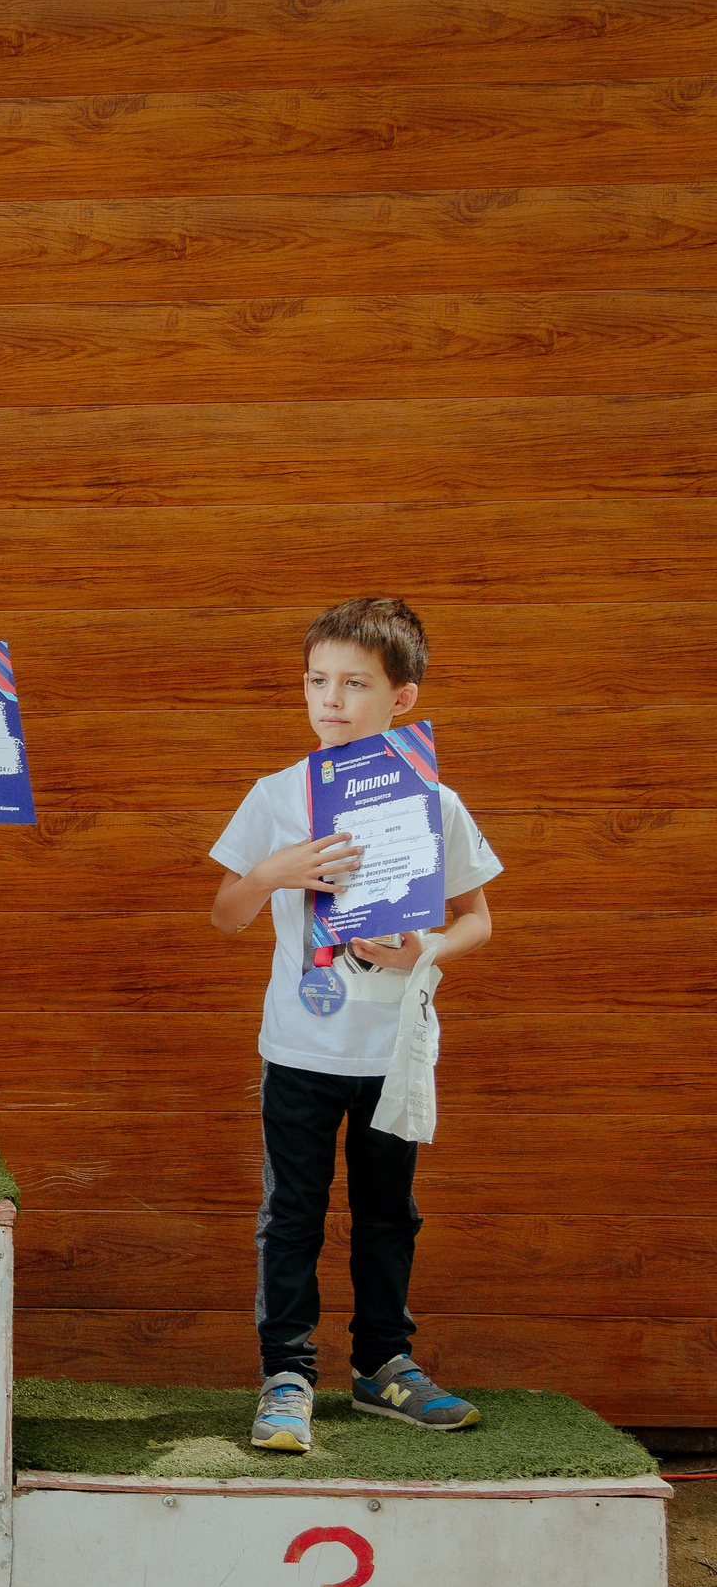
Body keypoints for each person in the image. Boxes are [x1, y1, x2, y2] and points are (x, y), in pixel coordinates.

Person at [209, 597, 501, 1454]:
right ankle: (287, 1377)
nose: (330, 700)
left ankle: (384, 1367)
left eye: (354, 684)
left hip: (391, 1050)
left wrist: (428, 952)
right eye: (317, 681)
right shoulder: (276, 796)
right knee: (292, 1213)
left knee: (388, 1212)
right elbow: (226, 914)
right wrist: (274, 870)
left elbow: (478, 919)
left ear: (401, 697)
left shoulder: (433, 799)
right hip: (299, 1048)